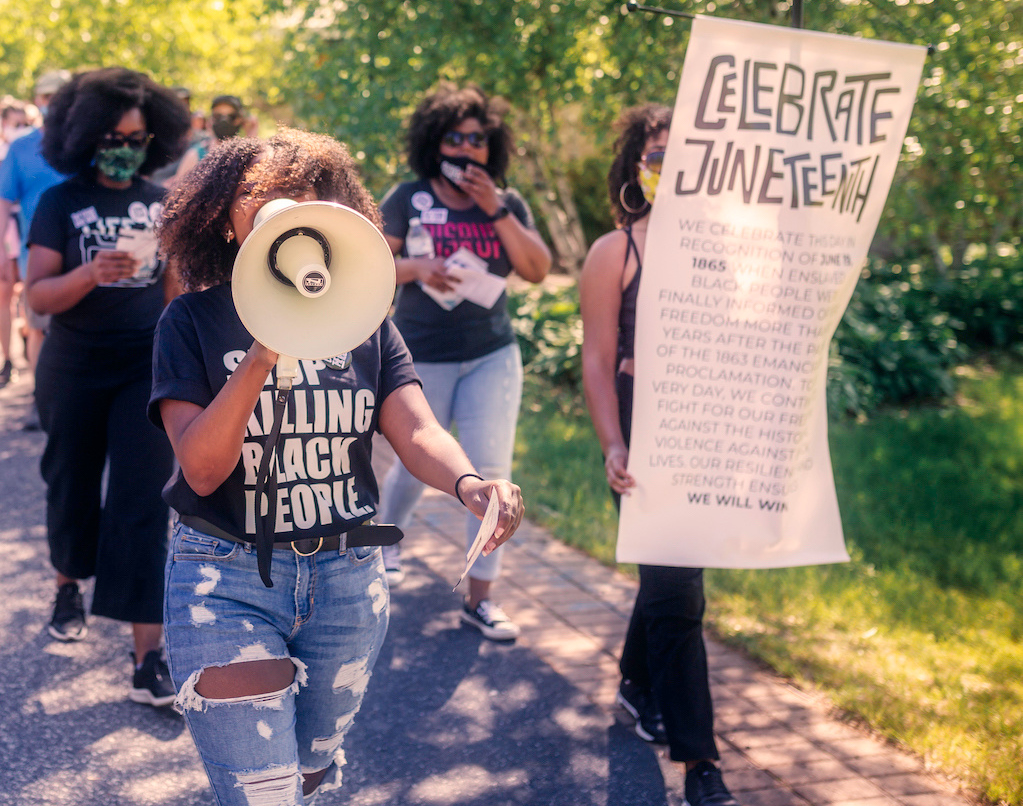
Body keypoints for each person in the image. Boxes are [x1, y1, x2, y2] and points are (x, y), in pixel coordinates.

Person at [150, 129, 524, 804]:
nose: (280, 208)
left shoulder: (362, 320)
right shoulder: (191, 322)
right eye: (256, 196)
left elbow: (414, 428)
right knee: (262, 792)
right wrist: (266, 347)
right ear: (224, 221)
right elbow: (202, 471)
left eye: (299, 194)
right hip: (225, 576)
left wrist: (470, 483)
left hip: (348, 579)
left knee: (310, 775)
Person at [579, 104, 739, 806]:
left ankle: (636, 684)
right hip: (642, 435)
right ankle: (700, 763)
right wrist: (613, 440)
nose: (666, 163)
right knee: (681, 595)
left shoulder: (731, 250)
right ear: (634, 166)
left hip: (707, 432)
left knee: (667, 583)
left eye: (682, 153)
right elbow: (596, 357)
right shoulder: (617, 251)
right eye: (654, 152)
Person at [25, 67, 190, 705]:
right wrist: (91, 273)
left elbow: (175, 293)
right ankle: (69, 584)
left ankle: (148, 658)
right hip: (72, 365)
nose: (128, 148)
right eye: (116, 136)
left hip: (143, 370)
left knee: (145, 503)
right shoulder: (60, 202)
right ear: (87, 136)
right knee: (70, 481)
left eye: (140, 138)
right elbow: (38, 294)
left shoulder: (162, 202)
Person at [377, 82, 551, 641]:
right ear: (435, 142)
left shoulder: (506, 202)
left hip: (490, 356)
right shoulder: (408, 196)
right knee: (412, 464)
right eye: (455, 137)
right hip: (421, 354)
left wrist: (493, 207)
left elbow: (537, 269)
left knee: (493, 472)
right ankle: (388, 543)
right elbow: (373, 262)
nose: (468, 148)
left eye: (478, 139)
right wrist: (418, 268)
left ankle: (481, 598)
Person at [0, 71, 72, 425]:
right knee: (38, 328)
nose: (53, 102)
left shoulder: (83, 144)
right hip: (35, 257)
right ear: (38, 101)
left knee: (78, 326)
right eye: (47, 96)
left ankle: (76, 399)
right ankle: (40, 399)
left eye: (60, 95)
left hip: (82, 256)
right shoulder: (21, 147)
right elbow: (3, 200)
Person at [0, 98, 31, 385]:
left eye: (24, 123)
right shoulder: (10, 155)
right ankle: (8, 358)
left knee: (26, 295)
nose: (19, 128)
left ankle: (26, 348)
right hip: (10, 235)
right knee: (6, 293)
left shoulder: (28, 152)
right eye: (14, 122)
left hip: (26, 234)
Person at [171, 93, 254, 184]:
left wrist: (252, 133)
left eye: (231, 117)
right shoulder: (196, 155)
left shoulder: (248, 155)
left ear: (240, 120)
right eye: (218, 116)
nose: (224, 121)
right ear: (211, 119)